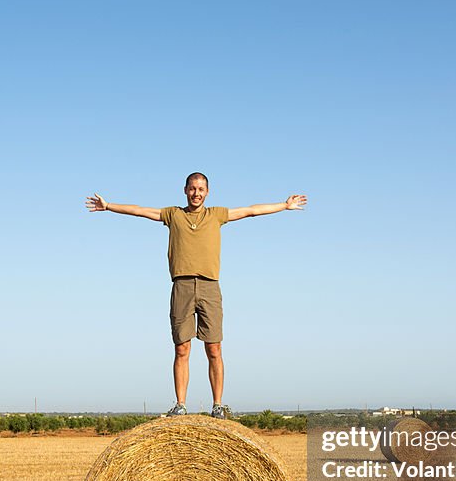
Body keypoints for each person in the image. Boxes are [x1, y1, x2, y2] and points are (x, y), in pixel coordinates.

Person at [86, 172, 306, 419]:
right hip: (181, 286)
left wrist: (284, 206)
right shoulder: (173, 215)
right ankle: (180, 404)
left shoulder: (217, 215)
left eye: (201, 189)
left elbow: (251, 211)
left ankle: (218, 405)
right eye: (192, 188)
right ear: (185, 190)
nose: (196, 193)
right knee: (182, 348)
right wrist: (108, 206)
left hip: (210, 286)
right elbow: (139, 210)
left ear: (207, 192)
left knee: (214, 348)